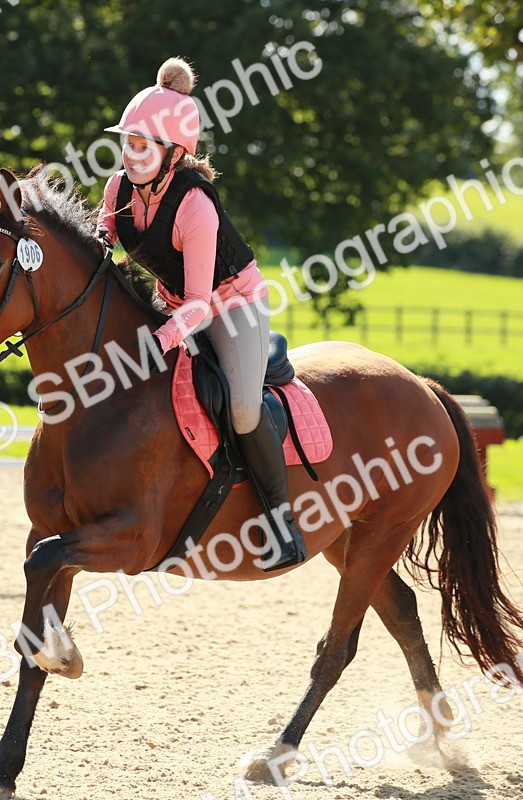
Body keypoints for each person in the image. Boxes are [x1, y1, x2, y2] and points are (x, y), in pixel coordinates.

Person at [96, 57, 306, 572]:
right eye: (128, 143)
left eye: (143, 145)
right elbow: (101, 244)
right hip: (175, 304)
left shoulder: (195, 206)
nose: (132, 153)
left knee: (241, 409)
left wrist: (159, 341)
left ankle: (282, 524)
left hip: (232, 307)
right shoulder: (117, 189)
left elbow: (200, 303)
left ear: (173, 152)